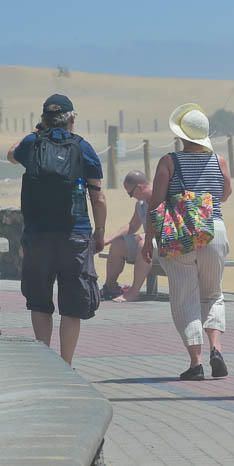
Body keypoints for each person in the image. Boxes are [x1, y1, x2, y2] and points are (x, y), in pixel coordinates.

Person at [6, 94, 106, 365]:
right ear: (72, 118)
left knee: (39, 301)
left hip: (38, 235)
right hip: (75, 233)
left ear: (43, 119)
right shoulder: (83, 147)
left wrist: (35, 132)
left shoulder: (32, 143)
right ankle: (66, 364)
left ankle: (45, 363)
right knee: (72, 303)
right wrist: (99, 231)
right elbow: (98, 197)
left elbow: (10, 154)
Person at [142, 103, 233, 381]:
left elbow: (155, 204)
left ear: (180, 135)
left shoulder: (169, 162)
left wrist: (148, 240)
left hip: (180, 233)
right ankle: (216, 348)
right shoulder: (220, 161)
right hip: (214, 230)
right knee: (213, 294)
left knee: (185, 298)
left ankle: (196, 362)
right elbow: (225, 193)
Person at [101, 171, 153, 302]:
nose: (131, 197)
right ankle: (110, 286)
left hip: (166, 240)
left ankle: (133, 292)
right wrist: (109, 239)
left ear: (140, 187)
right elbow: (132, 226)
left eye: (131, 193)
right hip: (149, 241)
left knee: (143, 243)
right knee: (119, 244)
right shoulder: (141, 204)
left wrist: (146, 236)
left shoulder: (159, 196)